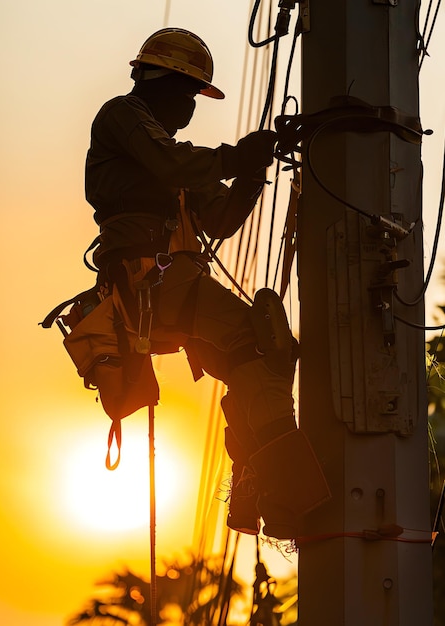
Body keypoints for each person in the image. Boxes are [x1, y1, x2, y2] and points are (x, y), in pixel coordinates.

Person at [84, 27, 330, 541]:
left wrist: (251, 172)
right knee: (258, 338)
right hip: (153, 282)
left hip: (174, 287)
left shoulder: (171, 159)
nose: (192, 109)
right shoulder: (124, 118)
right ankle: (294, 494)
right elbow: (175, 163)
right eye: (191, 95)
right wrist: (237, 158)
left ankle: (256, 491)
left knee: (258, 360)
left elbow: (218, 221)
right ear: (163, 82)